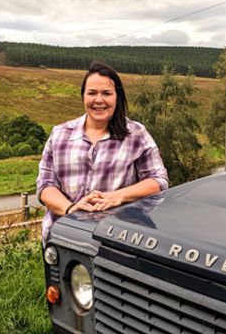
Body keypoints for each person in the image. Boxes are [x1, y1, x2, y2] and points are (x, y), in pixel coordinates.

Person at [36, 61, 169, 242]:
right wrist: (71, 209)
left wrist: (117, 197)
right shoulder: (60, 134)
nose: (99, 100)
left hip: (117, 239)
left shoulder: (136, 134)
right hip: (63, 238)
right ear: (83, 96)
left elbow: (158, 180)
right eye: (92, 93)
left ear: (117, 97)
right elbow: (45, 186)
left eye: (106, 93)